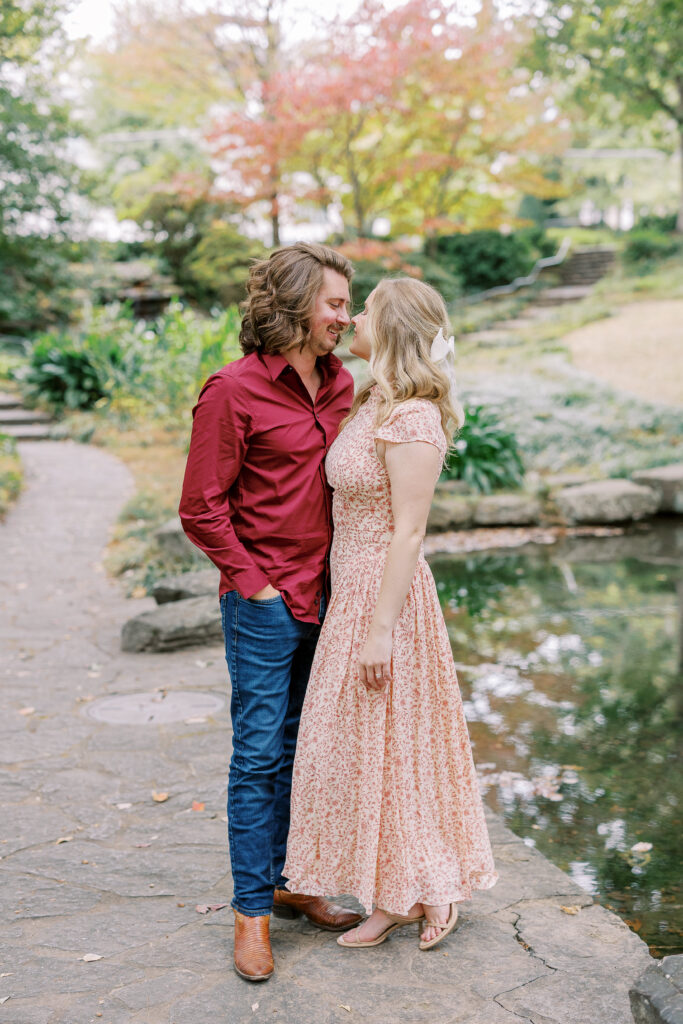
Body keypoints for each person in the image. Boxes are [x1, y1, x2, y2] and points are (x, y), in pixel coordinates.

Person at [284, 277, 497, 951]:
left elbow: (408, 532)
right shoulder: (374, 399)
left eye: (365, 309)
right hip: (349, 593)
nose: (352, 320)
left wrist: (378, 631)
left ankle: (405, 895)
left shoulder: (412, 419)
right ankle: (402, 886)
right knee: (355, 749)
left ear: (393, 326)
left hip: (386, 602)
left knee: (390, 747)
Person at [179, 242, 363, 983]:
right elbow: (200, 507)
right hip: (264, 605)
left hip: (330, 599)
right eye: (334, 304)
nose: (344, 318)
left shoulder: (347, 386)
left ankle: (292, 881)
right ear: (293, 306)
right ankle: (251, 914)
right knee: (257, 756)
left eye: (346, 306)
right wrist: (254, 586)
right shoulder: (231, 391)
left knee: (303, 750)